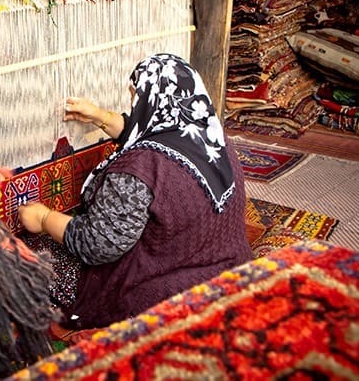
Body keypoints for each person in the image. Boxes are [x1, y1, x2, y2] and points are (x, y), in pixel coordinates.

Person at [18, 53, 252, 330]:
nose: (133, 104)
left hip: (164, 291)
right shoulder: (210, 136)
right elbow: (148, 127)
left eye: (136, 97)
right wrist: (102, 117)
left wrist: (44, 218)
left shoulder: (141, 168)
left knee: (25, 252)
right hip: (227, 266)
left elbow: (96, 244)